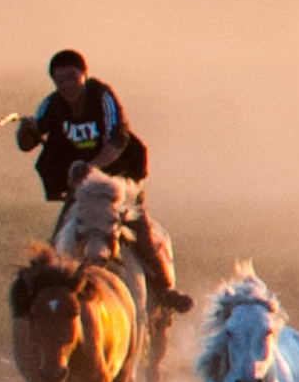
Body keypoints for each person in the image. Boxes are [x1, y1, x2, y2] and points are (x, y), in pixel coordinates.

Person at [11, 49, 184, 310]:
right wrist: (27, 129)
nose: (68, 85)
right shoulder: (51, 105)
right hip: (82, 185)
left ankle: (165, 289)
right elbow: (28, 143)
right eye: (61, 80)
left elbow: (118, 138)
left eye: (72, 77)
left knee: (141, 230)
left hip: (121, 178)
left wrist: (92, 166)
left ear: (84, 74)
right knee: (59, 235)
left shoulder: (101, 97)